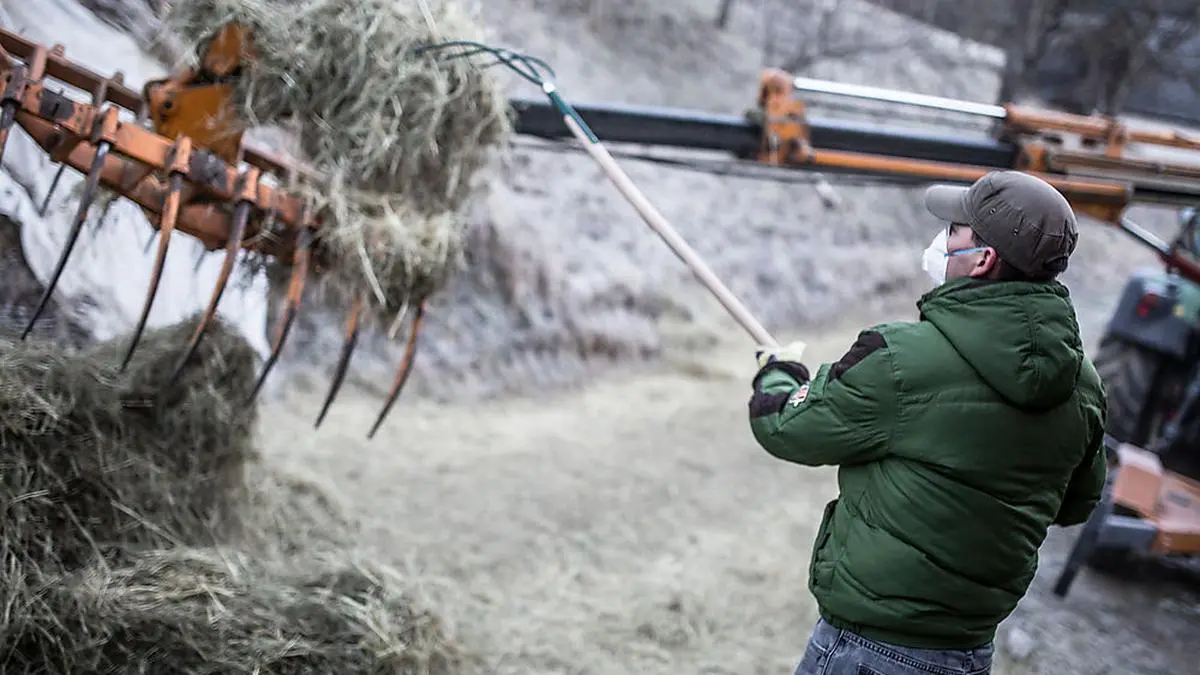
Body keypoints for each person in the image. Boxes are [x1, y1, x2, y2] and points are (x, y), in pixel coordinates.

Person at [747, 170, 1108, 675]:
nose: (942, 239)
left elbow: (786, 426)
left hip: (868, 653)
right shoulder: (1085, 386)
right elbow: (1077, 502)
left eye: (955, 230)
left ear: (982, 259)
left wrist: (779, 373)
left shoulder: (899, 358)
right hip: (969, 654)